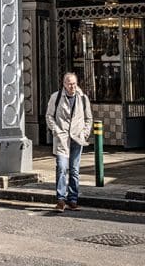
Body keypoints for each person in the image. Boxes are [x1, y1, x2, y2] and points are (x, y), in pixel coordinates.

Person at [45, 72, 93, 212]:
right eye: (70, 84)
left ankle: (72, 199)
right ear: (64, 84)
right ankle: (60, 199)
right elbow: (49, 116)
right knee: (61, 167)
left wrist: (84, 133)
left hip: (77, 139)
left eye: (74, 83)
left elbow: (88, 119)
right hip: (62, 139)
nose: (72, 86)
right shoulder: (56, 97)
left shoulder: (83, 98)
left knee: (74, 170)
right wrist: (56, 131)